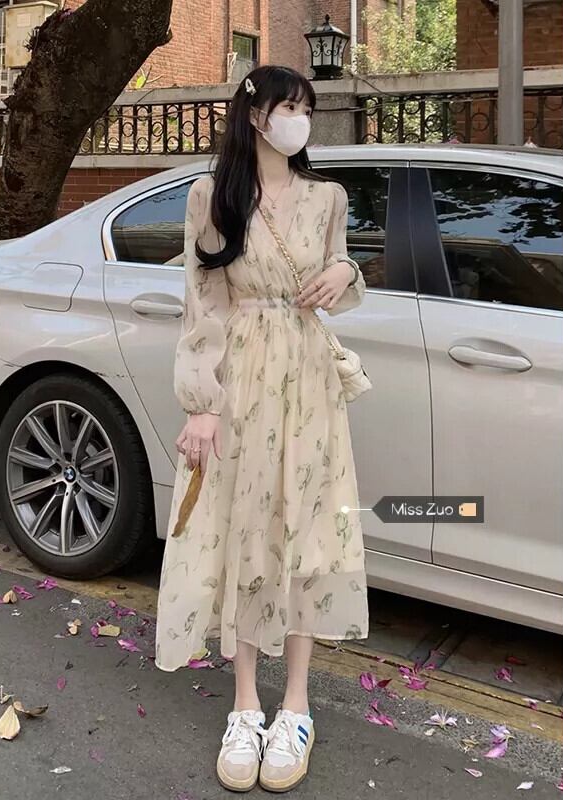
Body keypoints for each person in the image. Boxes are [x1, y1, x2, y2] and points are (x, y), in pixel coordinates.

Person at [154, 64, 370, 793]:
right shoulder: (212, 197)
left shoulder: (328, 197)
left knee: (307, 530)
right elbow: (203, 302)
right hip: (242, 378)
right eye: (289, 106)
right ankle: (245, 705)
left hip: (308, 379)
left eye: (306, 107)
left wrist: (345, 275)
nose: (299, 118)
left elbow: (340, 276)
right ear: (255, 115)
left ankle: (296, 706)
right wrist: (202, 402)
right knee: (246, 529)